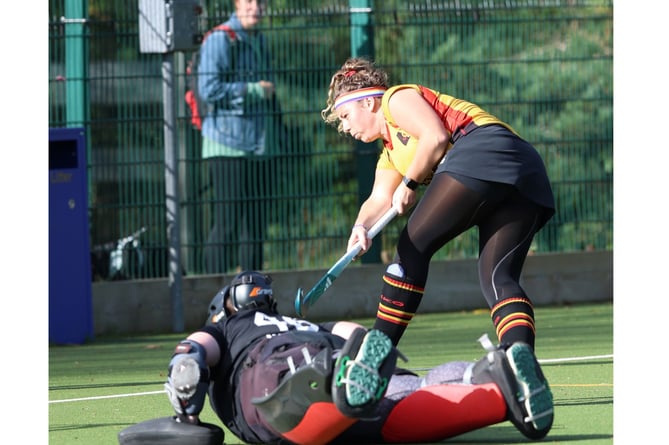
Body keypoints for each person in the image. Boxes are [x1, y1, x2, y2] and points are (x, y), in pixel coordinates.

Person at [119, 271, 553, 445]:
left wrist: (185, 407)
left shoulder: (236, 327)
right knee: (403, 393)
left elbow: (190, 356)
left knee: (381, 394)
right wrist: (367, 350)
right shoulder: (272, 323)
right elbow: (352, 333)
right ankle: (492, 385)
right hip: (305, 370)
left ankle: (495, 384)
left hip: (296, 376)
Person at [321, 57, 556, 358]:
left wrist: (409, 184)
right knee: (498, 278)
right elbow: (379, 198)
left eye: (345, 115)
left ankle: (374, 356)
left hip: (486, 147)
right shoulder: (391, 155)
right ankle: (519, 361)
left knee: (411, 248)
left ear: (368, 103)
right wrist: (360, 227)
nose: (344, 127)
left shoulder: (395, 99)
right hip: (524, 171)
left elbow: (435, 136)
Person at [198, 0, 275, 274]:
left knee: (254, 224)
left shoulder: (260, 39)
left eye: (261, 2)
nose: (255, 7)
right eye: (249, 1)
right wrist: (253, 90)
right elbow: (208, 89)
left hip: (258, 145)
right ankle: (214, 293)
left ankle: (253, 295)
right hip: (225, 143)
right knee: (227, 222)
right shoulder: (220, 38)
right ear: (237, 4)